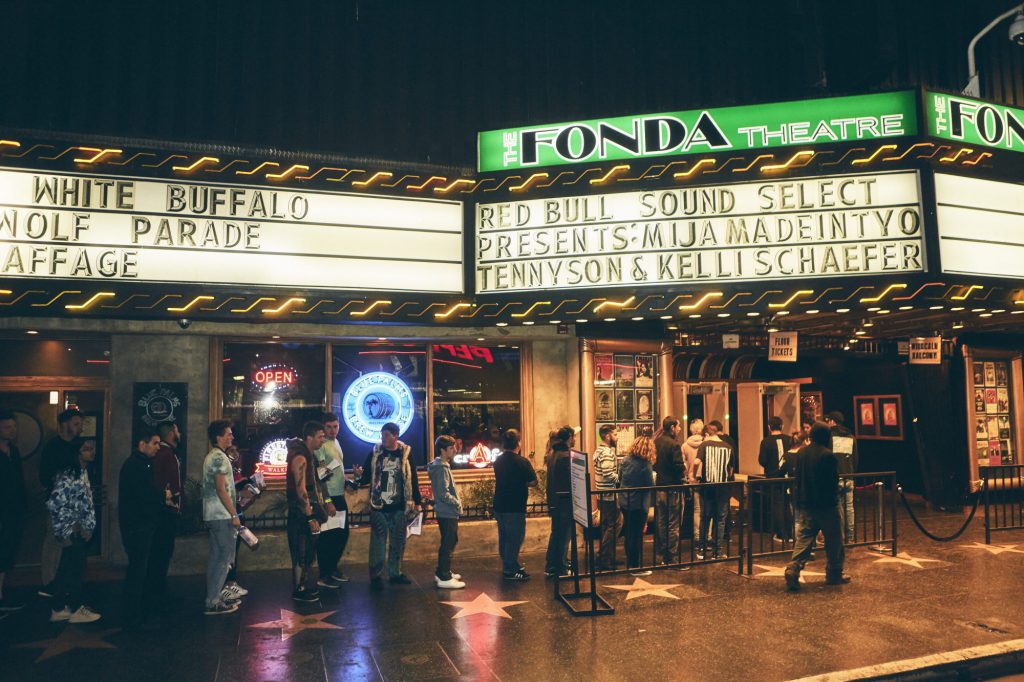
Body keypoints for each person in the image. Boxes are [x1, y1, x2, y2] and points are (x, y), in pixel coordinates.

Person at [120, 428, 175, 627]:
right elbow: (142, 494)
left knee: (141, 569)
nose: (157, 447)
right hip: (137, 526)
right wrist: (163, 496)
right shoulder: (134, 465)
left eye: (159, 443)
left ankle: (140, 609)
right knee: (137, 570)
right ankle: (131, 616)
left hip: (143, 524)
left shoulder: (144, 464)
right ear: (142, 445)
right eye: (154, 443)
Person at [784, 422, 849, 590]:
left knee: (804, 538)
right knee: (834, 540)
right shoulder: (828, 456)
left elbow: (798, 478)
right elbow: (831, 482)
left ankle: (793, 567)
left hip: (807, 503)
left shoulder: (801, 453)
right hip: (826, 505)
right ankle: (834, 574)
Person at [357, 422, 422, 589]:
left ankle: (395, 573)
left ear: (395, 436)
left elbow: (413, 478)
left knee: (398, 541)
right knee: (377, 542)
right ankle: (376, 576)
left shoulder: (405, 454)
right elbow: (365, 477)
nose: (382, 438)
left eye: (386, 435)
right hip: (379, 506)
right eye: (382, 434)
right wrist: (358, 476)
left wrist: (418, 501)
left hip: (399, 506)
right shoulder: (376, 453)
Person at [48, 438, 100, 623]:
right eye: (86, 449)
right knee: (76, 569)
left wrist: (88, 525)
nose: (91, 452)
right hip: (72, 531)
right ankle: (75, 608)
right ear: (77, 452)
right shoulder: (68, 474)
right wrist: (66, 531)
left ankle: (59, 607)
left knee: (67, 568)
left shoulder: (83, 472)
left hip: (78, 529)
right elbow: (56, 504)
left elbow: (84, 503)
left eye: (92, 449)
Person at [38, 408, 83, 597]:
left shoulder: (76, 446)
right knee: (55, 542)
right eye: (76, 424)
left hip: (74, 502)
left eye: (80, 424)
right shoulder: (53, 447)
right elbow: (45, 476)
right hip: (58, 502)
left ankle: (62, 583)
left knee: (69, 543)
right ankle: (49, 583)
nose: (80, 428)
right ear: (64, 424)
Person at [286, 421, 330, 601]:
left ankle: (301, 585)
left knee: (307, 550)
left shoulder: (307, 456)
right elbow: (301, 489)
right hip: (300, 511)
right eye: (320, 436)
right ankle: (299, 588)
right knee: (301, 550)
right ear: (309, 437)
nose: (323, 439)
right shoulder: (301, 458)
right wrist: (309, 514)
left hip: (304, 509)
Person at [314, 413, 359, 587]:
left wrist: (348, 480)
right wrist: (327, 501)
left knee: (340, 534)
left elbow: (335, 471)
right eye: (329, 427)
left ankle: (331, 569)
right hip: (330, 497)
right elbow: (320, 474)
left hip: (338, 494)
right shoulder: (321, 446)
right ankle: (324, 575)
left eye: (336, 426)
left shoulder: (336, 443)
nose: (333, 430)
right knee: (328, 536)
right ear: (323, 428)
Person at [201, 421, 241, 615]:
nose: (231, 437)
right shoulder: (218, 458)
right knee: (223, 559)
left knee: (217, 557)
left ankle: (213, 597)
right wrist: (234, 514)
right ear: (218, 437)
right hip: (220, 515)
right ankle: (213, 601)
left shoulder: (216, 456)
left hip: (214, 515)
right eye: (228, 434)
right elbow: (220, 489)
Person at [492, 428, 536, 582]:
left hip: (499, 504)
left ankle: (509, 564)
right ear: (518, 443)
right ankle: (510, 570)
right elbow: (533, 481)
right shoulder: (522, 461)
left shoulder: (498, 460)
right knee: (515, 538)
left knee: (504, 536)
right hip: (515, 506)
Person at [691, 421, 737, 560]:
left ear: (706, 434)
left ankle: (702, 550)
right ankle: (717, 552)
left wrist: (693, 476)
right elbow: (730, 469)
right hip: (723, 488)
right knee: (720, 520)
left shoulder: (705, 445)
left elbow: (696, 462)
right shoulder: (728, 447)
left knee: (705, 518)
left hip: (708, 487)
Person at [150, 421, 182, 605]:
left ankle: (159, 595)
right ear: (171, 433)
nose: (180, 433)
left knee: (162, 556)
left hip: (165, 511)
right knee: (160, 556)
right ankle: (157, 598)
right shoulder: (165, 454)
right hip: (165, 513)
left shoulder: (167, 453)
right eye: (177, 430)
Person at [429, 435, 465, 589]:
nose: (455, 450)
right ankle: (444, 576)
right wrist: (457, 502)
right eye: (451, 448)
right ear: (443, 450)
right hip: (447, 511)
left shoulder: (442, 465)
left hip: (446, 511)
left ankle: (443, 571)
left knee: (450, 540)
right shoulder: (441, 468)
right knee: (448, 542)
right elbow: (443, 493)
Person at [0, 410, 26, 612]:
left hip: (13, 512)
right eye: (8, 427)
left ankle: (1, 596)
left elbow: (18, 482)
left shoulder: (14, 451)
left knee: (7, 555)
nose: (13, 430)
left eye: (14, 426)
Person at [619, 436, 655, 576]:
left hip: (625, 501)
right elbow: (650, 485)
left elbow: (620, 478)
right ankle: (635, 566)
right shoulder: (645, 464)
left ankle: (630, 560)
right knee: (637, 534)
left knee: (629, 533)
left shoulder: (626, 460)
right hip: (639, 503)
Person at [653, 417, 685, 564]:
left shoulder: (657, 442)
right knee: (673, 523)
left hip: (660, 487)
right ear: (672, 427)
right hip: (673, 487)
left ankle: (663, 550)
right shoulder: (674, 445)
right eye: (678, 427)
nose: (679, 429)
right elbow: (678, 466)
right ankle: (671, 556)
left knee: (662, 521)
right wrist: (683, 470)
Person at [544, 426, 575, 577]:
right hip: (564, 501)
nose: (574, 439)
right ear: (569, 437)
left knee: (556, 533)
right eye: (573, 436)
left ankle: (551, 564)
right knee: (564, 535)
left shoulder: (553, 453)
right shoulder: (566, 456)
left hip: (555, 500)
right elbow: (571, 480)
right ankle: (561, 567)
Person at [758, 416, 794, 543]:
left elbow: (762, 460)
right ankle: (790, 533)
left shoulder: (766, 442)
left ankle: (781, 534)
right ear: (782, 426)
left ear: (769, 427)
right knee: (787, 505)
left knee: (777, 505)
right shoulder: (789, 439)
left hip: (773, 477)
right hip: (788, 477)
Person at [824, 411, 858, 543]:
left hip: (833, 477)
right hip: (848, 476)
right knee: (849, 508)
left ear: (832, 421)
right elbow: (855, 459)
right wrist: (851, 473)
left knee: (835, 508)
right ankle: (850, 538)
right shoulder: (851, 437)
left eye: (828, 421)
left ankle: (838, 536)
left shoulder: (829, 437)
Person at [222, 444, 250, 602]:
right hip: (229, 513)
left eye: (236, 450)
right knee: (226, 551)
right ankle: (224, 585)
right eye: (231, 450)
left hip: (237, 510)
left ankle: (232, 581)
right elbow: (226, 491)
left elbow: (239, 497)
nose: (235, 453)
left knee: (234, 550)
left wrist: (250, 491)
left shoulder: (235, 469)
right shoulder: (225, 468)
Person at [593, 424, 620, 570]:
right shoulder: (607, 453)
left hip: (601, 493)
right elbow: (608, 474)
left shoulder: (599, 450)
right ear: (608, 436)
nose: (617, 437)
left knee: (606, 526)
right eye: (615, 434)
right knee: (614, 525)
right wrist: (620, 478)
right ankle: (604, 557)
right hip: (608, 494)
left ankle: (605, 556)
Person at [681, 419, 705, 541]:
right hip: (705, 478)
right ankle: (707, 535)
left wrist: (688, 475)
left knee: (696, 508)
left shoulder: (685, 445)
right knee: (706, 508)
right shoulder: (706, 443)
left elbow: (683, 464)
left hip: (693, 479)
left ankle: (696, 534)